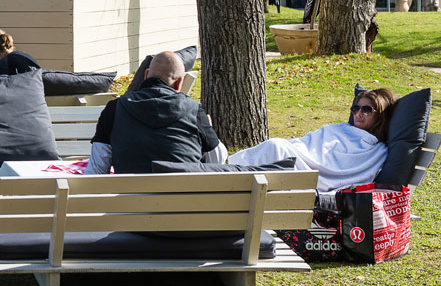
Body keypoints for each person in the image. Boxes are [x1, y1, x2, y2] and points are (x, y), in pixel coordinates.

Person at [85, 50, 228, 175]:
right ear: (179, 82)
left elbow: (96, 171)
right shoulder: (194, 110)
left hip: (129, 203)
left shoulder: (114, 109)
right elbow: (217, 160)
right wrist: (207, 132)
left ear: (146, 75)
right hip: (184, 203)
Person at [229, 87, 396, 192]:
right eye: (356, 108)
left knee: (276, 147)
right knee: (276, 147)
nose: (358, 113)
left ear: (380, 116)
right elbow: (312, 142)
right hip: (299, 152)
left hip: (303, 166)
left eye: (366, 110)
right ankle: (223, 173)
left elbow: (344, 169)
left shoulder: (376, 150)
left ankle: (222, 176)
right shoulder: (341, 129)